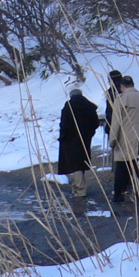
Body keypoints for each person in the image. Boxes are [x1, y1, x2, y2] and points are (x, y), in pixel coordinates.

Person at [57, 87, 100, 218]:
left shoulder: (69, 106)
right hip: (85, 138)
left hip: (71, 139)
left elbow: (64, 123)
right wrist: (89, 132)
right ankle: (79, 186)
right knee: (82, 160)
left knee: (74, 163)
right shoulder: (89, 106)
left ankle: (79, 189)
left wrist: (63, 136)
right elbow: (95, 122)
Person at [108, 75, 139, 206]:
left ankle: (118, 195)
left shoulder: (120, 100)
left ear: (121, 87)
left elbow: (116, 123)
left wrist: (112, 141)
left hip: (124, 141)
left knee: (121, 170)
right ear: (133, 84)